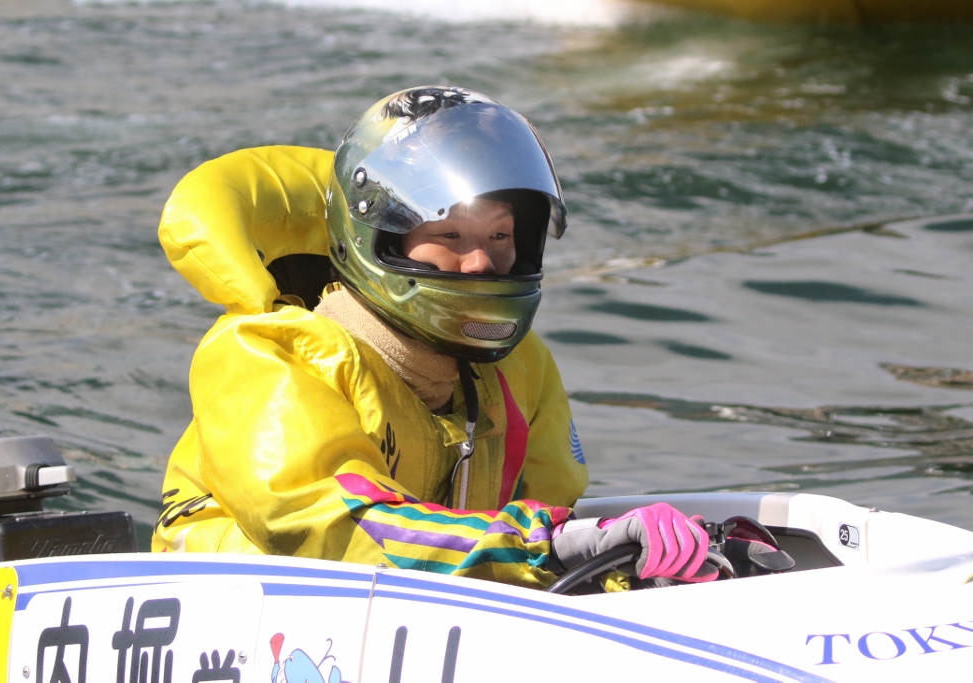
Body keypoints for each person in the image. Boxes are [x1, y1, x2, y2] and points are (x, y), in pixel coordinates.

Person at [151, 86, 716, 589]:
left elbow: (548, 527)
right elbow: (333, 526)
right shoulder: (265, 354)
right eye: (449, 235)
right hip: (231, 612)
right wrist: (551, 546)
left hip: (420, 613)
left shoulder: (523, 368)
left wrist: (646, 565)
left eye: (500, 235)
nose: (481, 263)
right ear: (379, 237)